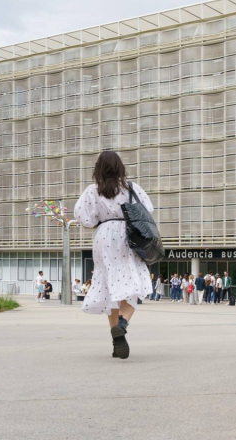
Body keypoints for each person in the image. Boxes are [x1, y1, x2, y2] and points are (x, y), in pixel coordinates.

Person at [74, 150, 155, 360]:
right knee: (132, 285)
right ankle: (122, 324)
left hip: (103, 235)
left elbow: (84, 218)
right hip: (127, 235)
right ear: (120, 167)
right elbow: (148, 209)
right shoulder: (131, 188)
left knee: (111, 287)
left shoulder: (93, 190)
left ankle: (115, 339)